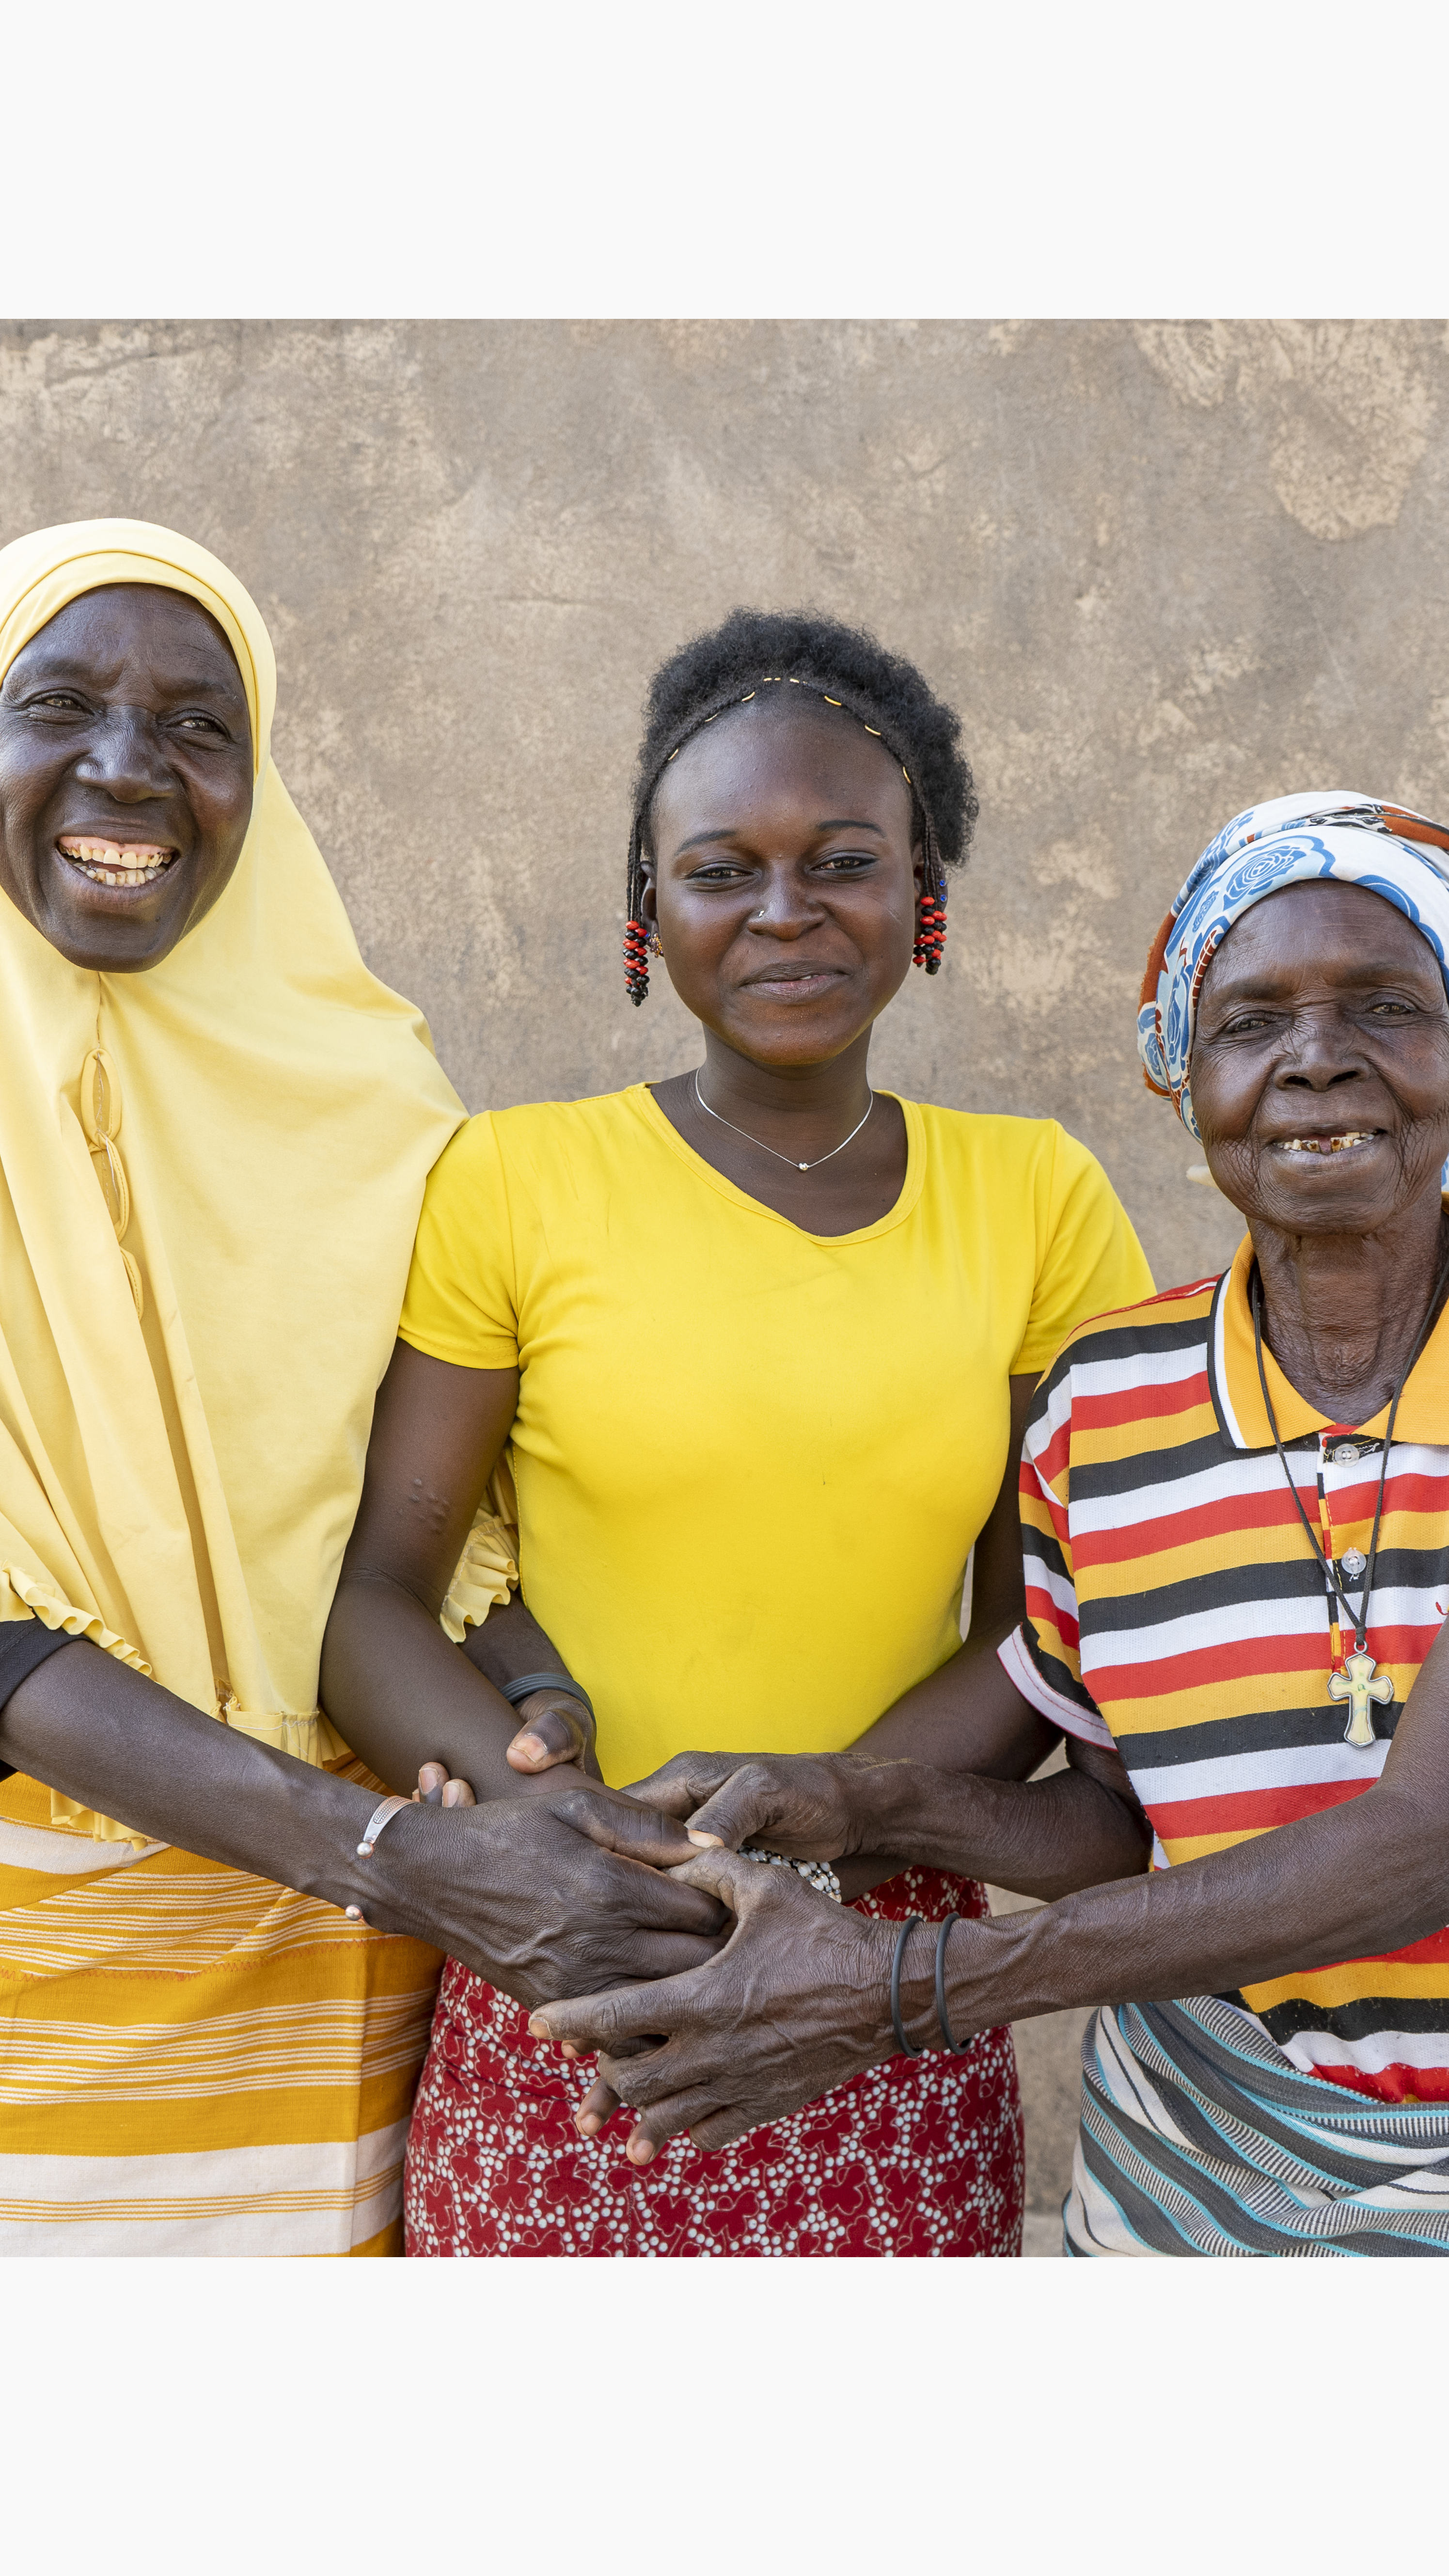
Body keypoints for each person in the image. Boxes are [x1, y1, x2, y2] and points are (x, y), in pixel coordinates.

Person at [320, 608, 1154, 2257]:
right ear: (651, 910)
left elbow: (1042, 1629)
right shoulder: (515, 1180)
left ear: (923, 893)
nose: (786, 911)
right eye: (723, 869)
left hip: (880, 1974)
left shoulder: (1037, 1197)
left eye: (842, 859)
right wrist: (581, 1844)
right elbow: (379, 1597)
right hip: (566, 1953)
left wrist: (825, 1810)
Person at [533, 790, 1449, 2258]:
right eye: (1250, 1020)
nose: (1317, 1059)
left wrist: (907, 1983)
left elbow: (1421, 1842)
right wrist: (853, 1801)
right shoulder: (1114, 1403)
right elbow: (1107, 1820)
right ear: (1182, 1072)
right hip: (1185, 2181)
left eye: (1386, 1007)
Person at [0, 518, 717, 2255]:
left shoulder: (369, 1088)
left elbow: (408, 1518)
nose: (128, 768)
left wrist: (526, 1692)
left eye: (198, 723)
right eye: (59, 703)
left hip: (364, 1969)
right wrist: (391, 1850)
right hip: (59, 1953)